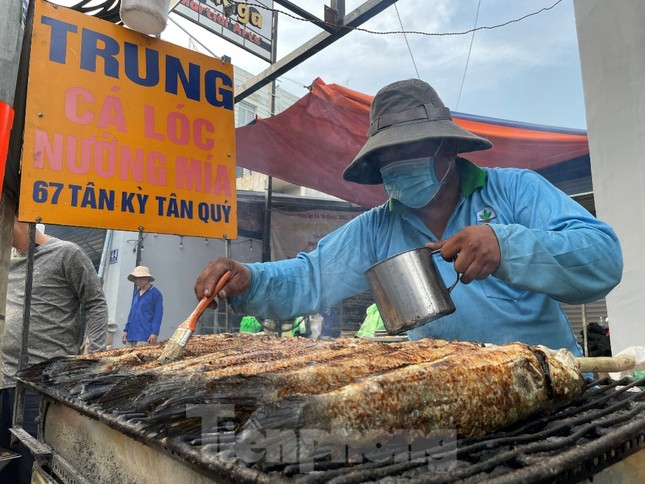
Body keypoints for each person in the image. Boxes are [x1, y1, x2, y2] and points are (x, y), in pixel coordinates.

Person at [194, 79, 623, 357]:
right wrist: (250, 279)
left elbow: (603, 258)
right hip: (454, 396)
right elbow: (311, 277)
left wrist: (506, 245)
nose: (395, 163)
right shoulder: (377, 227)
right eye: (386, 155)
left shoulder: (515, 190)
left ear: (448, 148)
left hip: (548, 385)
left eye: (408, 149)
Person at [1, 217, 108, 483]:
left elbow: (95, 303)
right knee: (6, 468)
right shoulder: (7, 264)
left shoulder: (66, 254)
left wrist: (89, 360)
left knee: (31, 467)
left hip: (42, 385)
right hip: (4, 381)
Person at [121, 266, 163, 346]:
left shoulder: (156, 294)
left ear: (147, 278)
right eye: (136, 278)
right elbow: (132, 313)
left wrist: (154, 332)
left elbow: (158, 315)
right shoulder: (136, 294)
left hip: (145, 337)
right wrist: (126, 330)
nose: (137, 280)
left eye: (140, 277)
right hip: (131, 335)